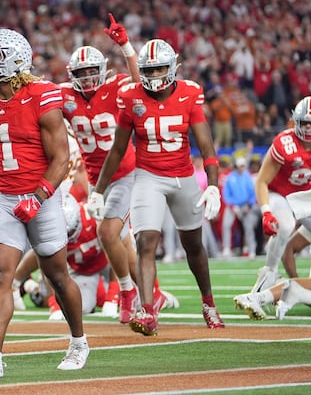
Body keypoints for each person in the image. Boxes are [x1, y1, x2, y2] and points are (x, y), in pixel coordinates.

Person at [0, 28, 89, 378]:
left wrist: (40, 196)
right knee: (0, 274)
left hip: (41, 194)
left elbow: (60, 157)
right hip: (5, 196)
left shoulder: (42, 96)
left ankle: (78, 341)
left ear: (16, 60)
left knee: (57, 276)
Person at [89, 38, 224, 335]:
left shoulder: (190, 93)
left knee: (194, 246)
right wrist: (98, 190)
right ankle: (147, 310)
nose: (153, 76)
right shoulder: (131, 96)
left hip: (184, 177)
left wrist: (213, 185)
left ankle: (208, 302)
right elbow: (117, 149)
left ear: (173, 67)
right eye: (148, 70)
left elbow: (206, 145)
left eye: (160, 69)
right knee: (146, 241)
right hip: (148, 176)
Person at [61, 14, 142, 324]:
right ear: (72, 75)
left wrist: (126, 47)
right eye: (81, 72)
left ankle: (126, 291)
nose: (88, 77)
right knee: (120, 238)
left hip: (126, 172)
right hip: (97, 180)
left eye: (92, 71)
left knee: (107, 232)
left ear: (103, 70)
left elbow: (139, 84)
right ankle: (148, 295)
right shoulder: (65, 96)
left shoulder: (116, 86)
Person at [14, 194, 178, 319]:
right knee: (77, 306)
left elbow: (119, 252)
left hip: (109, 262)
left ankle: (156, 294)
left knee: (130, 259)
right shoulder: (55, 228)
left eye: (71, 232)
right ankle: (27, 287)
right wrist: (54, 305)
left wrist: (113, 297)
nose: (70, 237)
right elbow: (43, 256)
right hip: (83, 270)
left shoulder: (95, 218)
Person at [252, 96, 311, 292]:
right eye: (305, 123)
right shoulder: (285, 143)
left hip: (306, 197)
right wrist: (266, 211)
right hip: (281, 195)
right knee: (285, 226)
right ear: (296, 122)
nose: (309, 129)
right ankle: (268, 273)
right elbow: (262, 180)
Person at [233, 215, 311, 320]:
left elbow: (289, 248)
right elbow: (289, 248)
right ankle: (258, 297)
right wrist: (297, 284)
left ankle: (278, 284)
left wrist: (294, 283)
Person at [221, 157, 259, 258]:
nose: (242, 168)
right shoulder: (230, 177)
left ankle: (251, 250)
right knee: (226, 225)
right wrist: (232, 206)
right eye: (240, 166)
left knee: (248, 227)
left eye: (243, 166)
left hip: (245, 206)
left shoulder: (248, 177)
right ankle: (226, 248)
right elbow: (226, 194)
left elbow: (253, 193)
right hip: (232, 206)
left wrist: (249, 205)